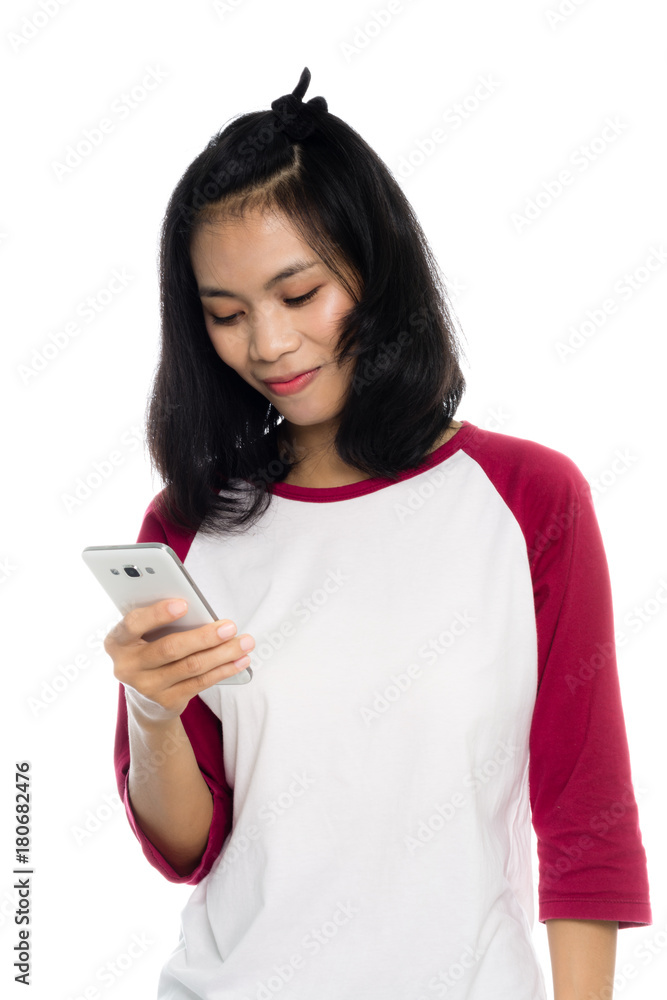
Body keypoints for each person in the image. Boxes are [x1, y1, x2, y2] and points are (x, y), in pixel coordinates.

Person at [107, 67, 652, 999]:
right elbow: (187, 848)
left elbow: (583, 813)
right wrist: (152, 713)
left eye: (300, 292)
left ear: (374, 266)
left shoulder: (527, 500)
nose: (268, 344)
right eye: (226, 315)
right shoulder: (191, 528)